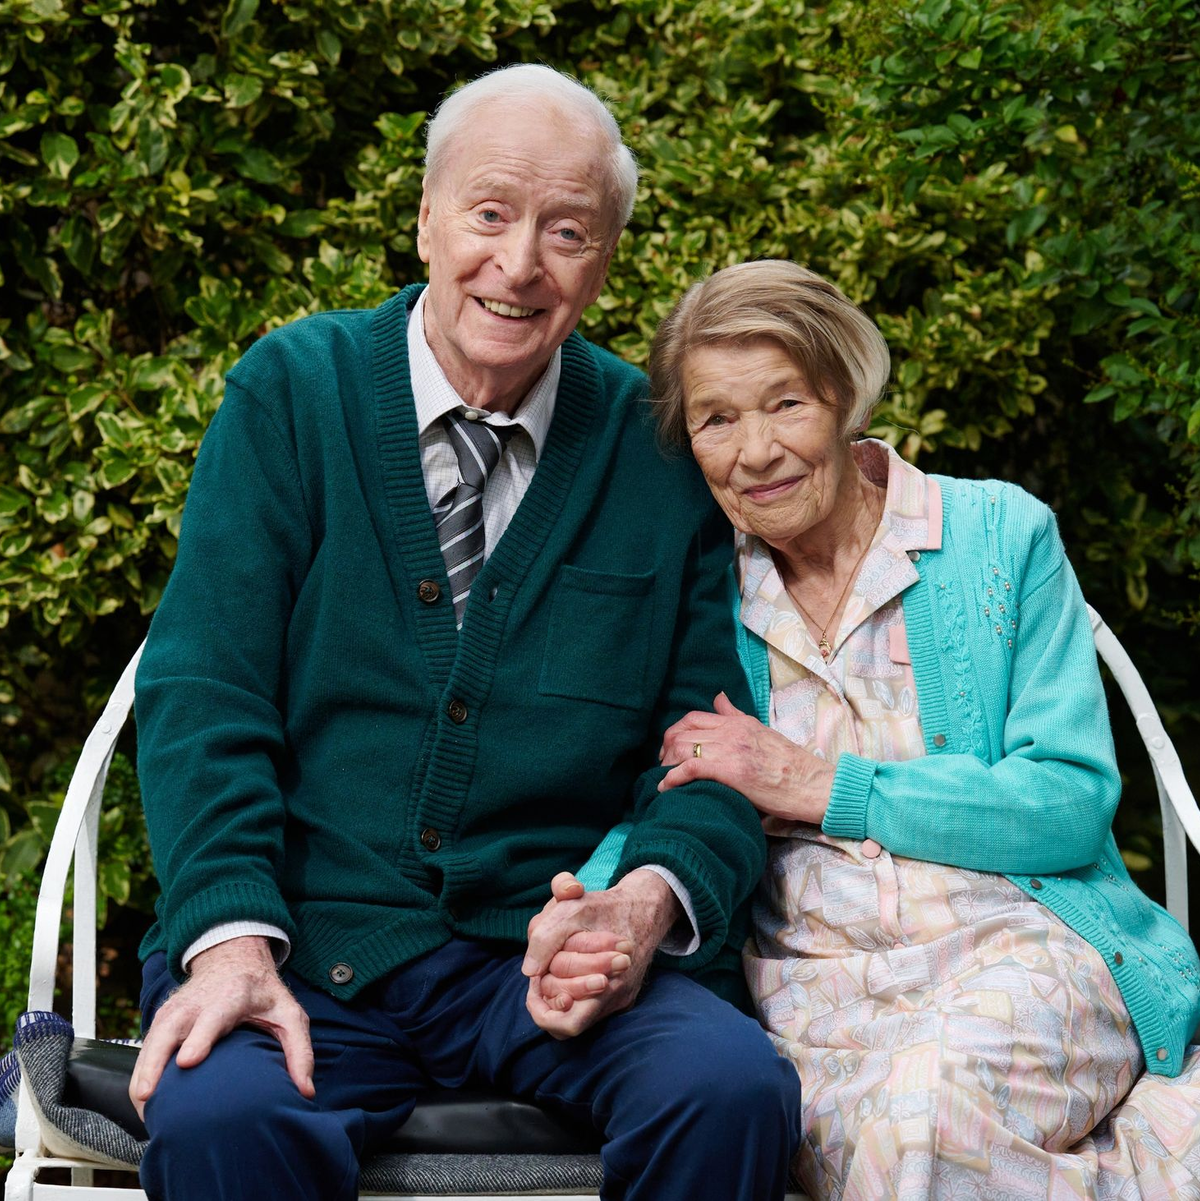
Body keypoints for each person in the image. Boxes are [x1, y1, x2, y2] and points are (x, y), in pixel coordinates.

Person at [129, 67, 801, 1201]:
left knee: (729, 1087)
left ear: (606, 259)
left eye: (569, 231)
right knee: (223, 1117)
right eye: (490, 213)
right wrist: (234, 942)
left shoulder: (656, 450)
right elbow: (205, 693)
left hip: (542, 966)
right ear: (427, 217)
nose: (522, 262)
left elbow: (712, 751)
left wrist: (640, 906)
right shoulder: (296, 392)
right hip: (305, 947)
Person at [631, 258, 1200, 1197]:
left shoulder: (995, 535)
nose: (756, 451)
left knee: (926, 1118)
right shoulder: (701, 589)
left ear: (846, 393)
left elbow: (1066, 803)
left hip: (1023, 951)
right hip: (810, 991)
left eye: (786, 403)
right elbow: (657, 794)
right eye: (716, 419)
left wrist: (823, 787)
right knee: (886, 1134)